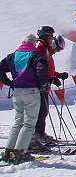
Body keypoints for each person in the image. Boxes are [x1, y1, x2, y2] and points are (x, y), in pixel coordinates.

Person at [0, 35, 49, 164]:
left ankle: (8, 151)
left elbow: (0, 67)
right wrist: (43, 84)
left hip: (17, 91)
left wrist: (8, 82)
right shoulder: (36, 55)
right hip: (31, 91)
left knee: (18, 122)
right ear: (34, 43)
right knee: (29, 123)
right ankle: (20, 152)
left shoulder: (13, 55)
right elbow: (41, 70)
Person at [32, 26, 68, 148]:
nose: (53, 38)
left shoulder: (46, 50)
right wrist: (50, 78)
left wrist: (57, 75)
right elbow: (40, 69)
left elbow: (47, 69)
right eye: (51, 36)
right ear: (46, 36)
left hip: (44, 84)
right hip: (40, 85)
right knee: (41, 111)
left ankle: (40, 133)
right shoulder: (41, 49)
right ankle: (38, 135)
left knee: (44, 110)